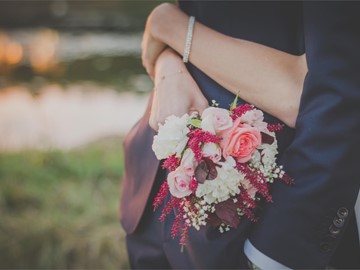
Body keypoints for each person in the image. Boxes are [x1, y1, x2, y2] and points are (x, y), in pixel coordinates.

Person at [121, 1, 360, 269]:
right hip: (152, 195)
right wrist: (168, 60)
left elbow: (335, 90)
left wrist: (274, 256)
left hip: (255, 220)